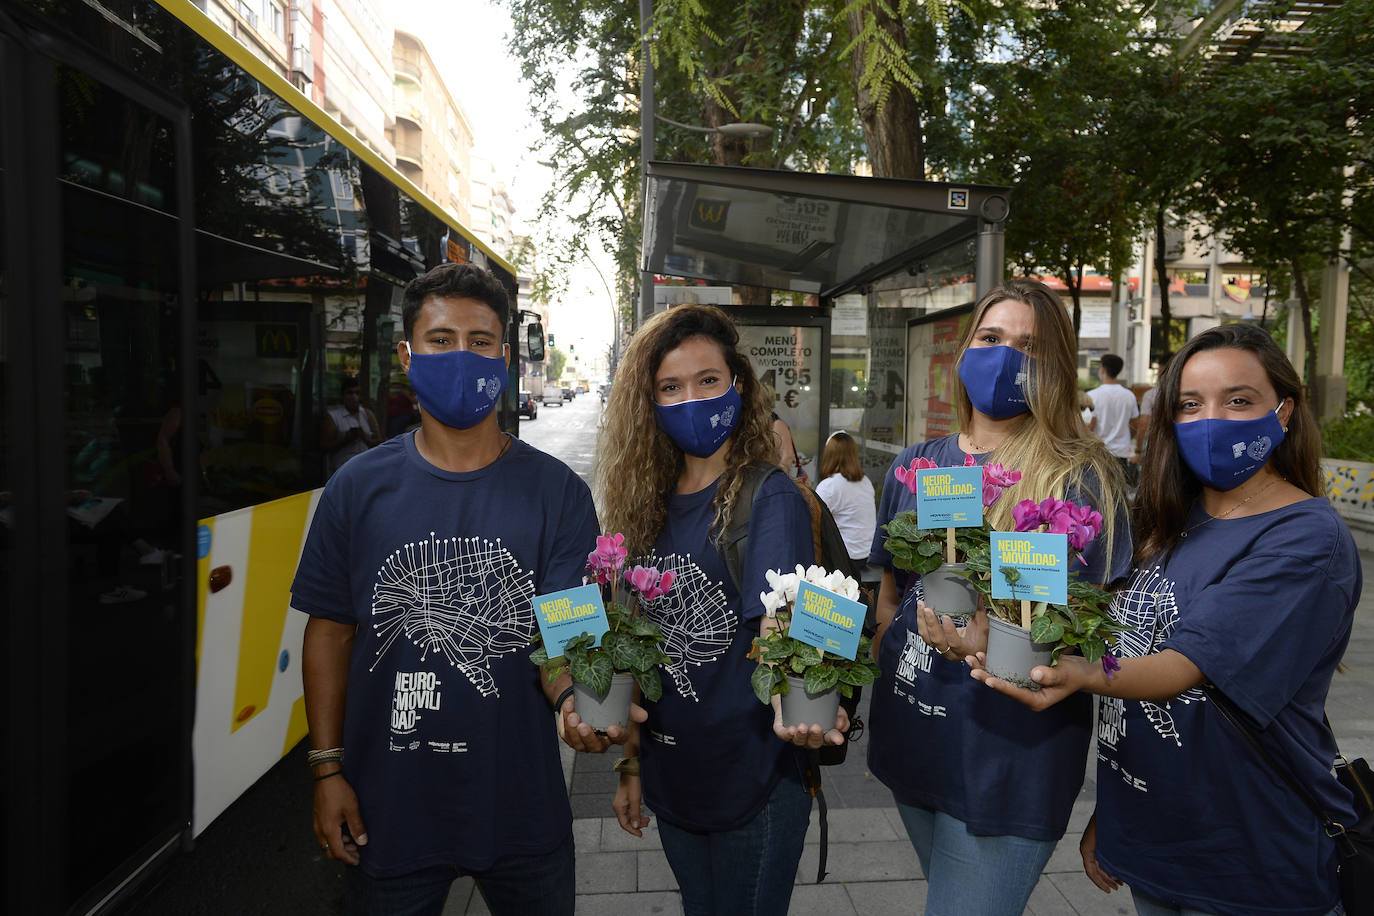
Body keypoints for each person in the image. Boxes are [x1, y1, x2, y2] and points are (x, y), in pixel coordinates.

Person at [972, 323, 1360, 916]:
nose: (1212, 420)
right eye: (1190, 404)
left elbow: (1183, 666)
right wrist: (1115, 810)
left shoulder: (1307, 536)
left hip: (1248, 861)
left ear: (1283, 412)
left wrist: (1078, 674)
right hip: (1154, 843)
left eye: (1239, 400)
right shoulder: (1165, 523)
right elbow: (1135, 665)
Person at [291, 262, 611, 916]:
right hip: (388, 814)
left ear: (506, 357)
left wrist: (575, 700)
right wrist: (327, 770)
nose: (461, 356)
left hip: (523, 813)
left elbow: (569, 632)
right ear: (407, 356)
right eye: (440, 341)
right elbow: (330, 632)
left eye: (480, 341)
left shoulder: (559, 494)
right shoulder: (355, 489)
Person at [866, 278, 1133, 915]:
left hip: (1008, 769)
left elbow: (1102, 631)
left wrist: (1002, 642)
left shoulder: (1079, 476)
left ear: (1057, 368)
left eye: (1030, 347)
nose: (1006, 356)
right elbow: (889, 597)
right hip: (915, 742)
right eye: (990, 338)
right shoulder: (917, 464)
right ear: (965, 352)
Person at [595, 304, 846, 916]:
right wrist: (631, 763)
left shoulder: (769, 496)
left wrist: (807, 703)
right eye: (670, 387)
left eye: (708, 380)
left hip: (753, 780)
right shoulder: (646, 505)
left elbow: (786, 626)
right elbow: (634, 647)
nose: (692, 399)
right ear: (649, 402)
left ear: (738, 384)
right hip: (673, 775)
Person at [814, 431, 876, 569]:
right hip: (867, 555)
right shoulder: (865, 481)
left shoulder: (829, 486)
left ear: (829, 454)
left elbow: (814, 523)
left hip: (844, 559)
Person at [1087, 353, 1139, 484]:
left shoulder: (1092, 396)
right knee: (1120, 490)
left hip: (1099, 453)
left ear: (1103, 370)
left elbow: (1090, 427)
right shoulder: (1129, 396)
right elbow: (1135, 425)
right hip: (1121, 452)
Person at [320, 376, 381, 479]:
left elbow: (379, 441)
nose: (354, 397)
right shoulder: (333, 417)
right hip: (343, 469)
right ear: (343, 395)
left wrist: (364, 437)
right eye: (350, 393)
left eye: (357, 393)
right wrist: (345, 439)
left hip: (367, 467)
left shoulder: (367, 414)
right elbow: (323, 446)